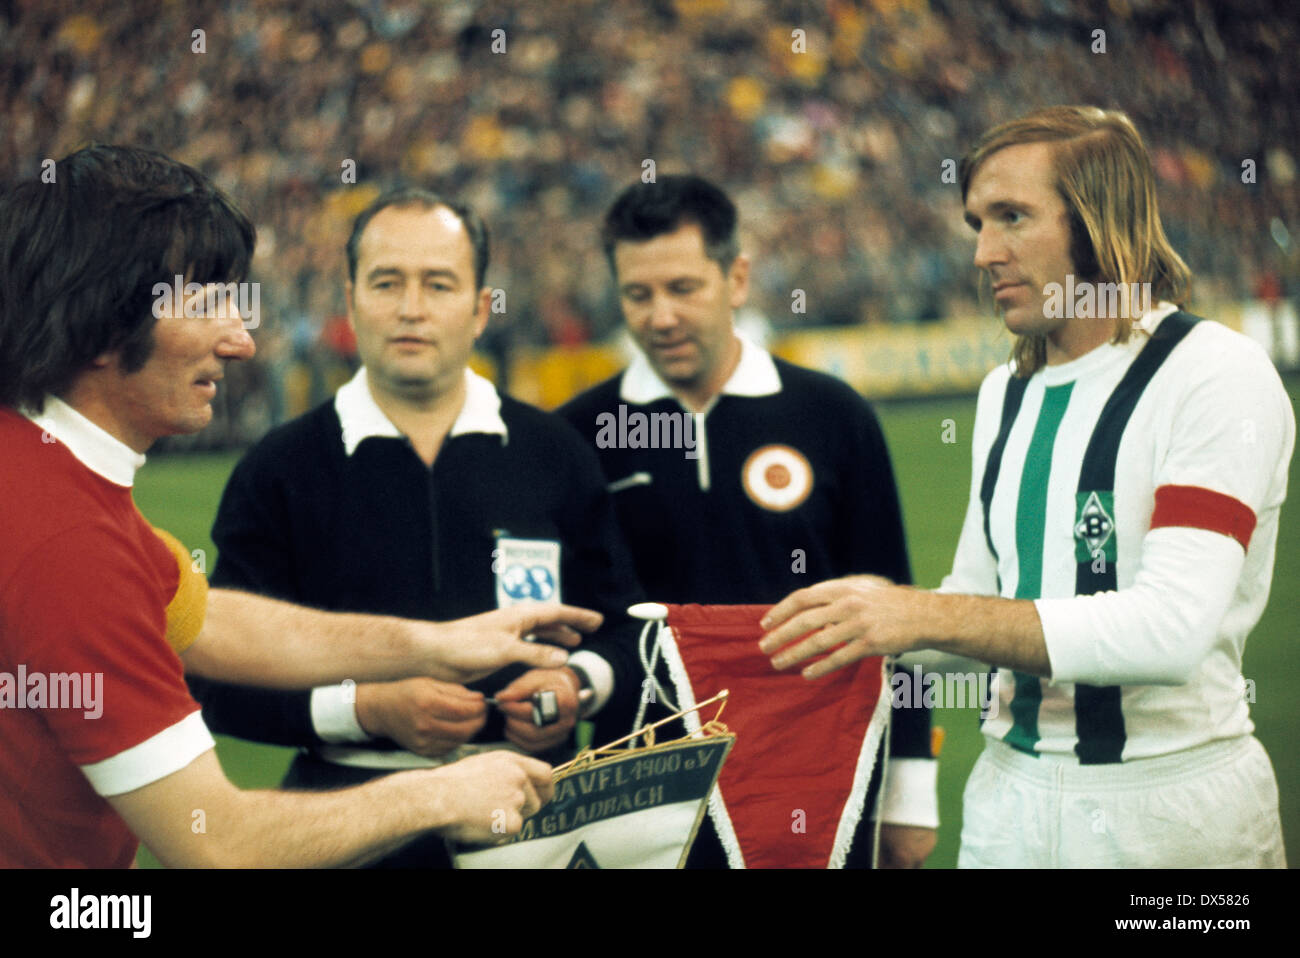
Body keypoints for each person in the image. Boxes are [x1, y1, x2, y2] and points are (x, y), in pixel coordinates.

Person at [0, 144, 603, 868]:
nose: (242, 340)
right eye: (207, 305)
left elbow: (209, 622)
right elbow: (217, 841)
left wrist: (438, 644)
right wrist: (445, 793)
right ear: (103, 322)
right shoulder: (71, 546)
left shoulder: (56, 483)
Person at [760, 106, 1293, 868]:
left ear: (1102, 221)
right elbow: (975, 609)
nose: (983, 253)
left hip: (1168, 812)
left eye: (1012, 217)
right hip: (1006, 804)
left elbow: (1172, 628)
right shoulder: (1005, 391)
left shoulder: (1214, 374)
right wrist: (836, 626)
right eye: (977, 222)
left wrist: (920, 613)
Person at [187, 189, 647, 867]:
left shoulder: (556, 453)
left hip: (531, 820)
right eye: (387, 282)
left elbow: (627, 631)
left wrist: (577, 684)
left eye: (438, 284)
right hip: (347, 826)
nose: (411, 307)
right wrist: (365, 708)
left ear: (481, 308)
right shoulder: (280, 468)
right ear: (350, 301)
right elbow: (219, 684)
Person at [557, 175, 937, 868]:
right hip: (645, 790)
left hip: (819, 778)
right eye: (637, 295)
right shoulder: (577, 436)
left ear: (736, 278)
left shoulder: (831, 415)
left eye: (683, 288)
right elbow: (567, 627)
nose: (660, 316)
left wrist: (912, 789)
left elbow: (896, 607)